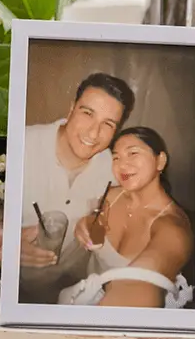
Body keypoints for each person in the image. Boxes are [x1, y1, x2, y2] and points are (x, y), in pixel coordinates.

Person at [19, 73, 135, 304]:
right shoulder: (21, 144)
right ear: (71, 108)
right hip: (9, 290)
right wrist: (3, 240)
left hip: (71, 292)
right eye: (87, 113)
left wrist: (99, 224)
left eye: (108, 124)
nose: (93, 133)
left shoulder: (115, 169)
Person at [63, 127, 194, 309]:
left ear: (160, 161)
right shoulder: (110, 196)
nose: (121, 165)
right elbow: (93, 223)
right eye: (116, 157)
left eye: (132, 153)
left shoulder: (173, 229)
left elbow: (138, 284)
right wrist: (84, 223)